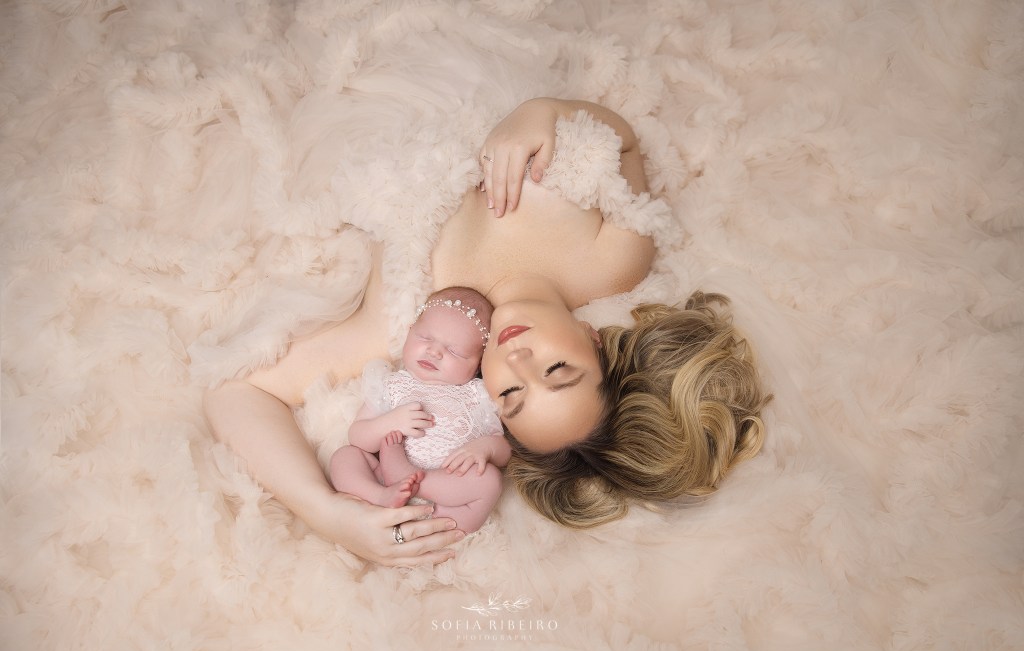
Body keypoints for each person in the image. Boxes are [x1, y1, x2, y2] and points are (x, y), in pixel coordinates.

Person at [204, 97, 768, 567]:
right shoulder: (613, 263)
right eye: (556, 370)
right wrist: (537, 112)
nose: (517, 359)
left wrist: (325, 512)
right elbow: (621, 143)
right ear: (596, 342)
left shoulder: (412, 322)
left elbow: (237, 394)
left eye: (512, 395)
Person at [328, 287, 510, 534]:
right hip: (386, 481)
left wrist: (486, 447)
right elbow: (357, 436)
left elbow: (504, 452)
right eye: (425, 338)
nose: (434, 352)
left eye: (454, 351)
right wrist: (389, 422)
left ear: (478, 364)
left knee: (490, 481)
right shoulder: (392, 384)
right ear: (409, 332)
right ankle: (380, 496)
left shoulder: (478, 396)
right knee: (344, 457)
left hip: (448, 493)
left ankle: (438, 517)